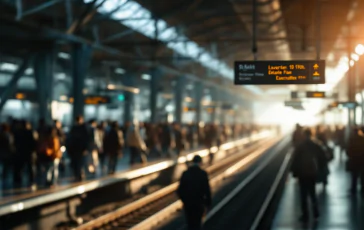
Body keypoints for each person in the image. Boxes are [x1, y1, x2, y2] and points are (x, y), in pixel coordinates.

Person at [291, 128, 327, 222]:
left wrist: (294, 172)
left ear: (304, 135)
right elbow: (323, 157)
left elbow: (295, 160)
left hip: (302, 173)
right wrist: (320, 168)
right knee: (312, 193)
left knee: (303, 195)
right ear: (311, 134)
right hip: (312, 173)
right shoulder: (315, 145)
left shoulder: (300, 146)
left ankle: (305, 215)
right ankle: (315, 213)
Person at [177, 155, 212, 230]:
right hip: (199, 204)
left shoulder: (185, 173)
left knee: (190, 224)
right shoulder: (203, 174)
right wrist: (208, 203)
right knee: (198, 224)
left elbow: (179, 190)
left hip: (188, 205)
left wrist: (185, 201)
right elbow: (207, 190)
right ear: (200, 162)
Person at [346, 127, 364, 195]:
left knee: (354, 176)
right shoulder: (362, 139)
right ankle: (362, 188)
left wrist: (351, 155)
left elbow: (348, 150)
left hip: (354, 160)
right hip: (362, 160)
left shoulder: (351, 139)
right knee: (362, 175)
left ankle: (354, 189)